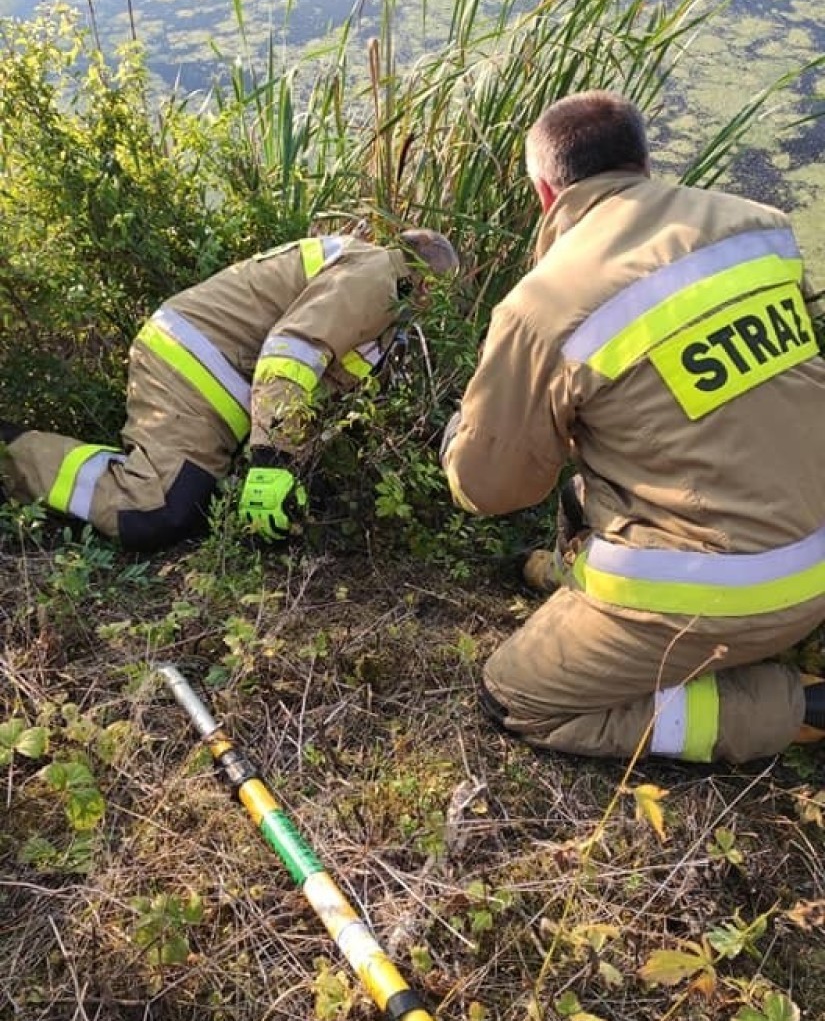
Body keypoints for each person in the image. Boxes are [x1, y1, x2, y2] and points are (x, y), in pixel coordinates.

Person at [440, 89, 825, 765]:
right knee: (594, 483)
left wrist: (458, 439)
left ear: (542, 190)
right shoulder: (757, 226)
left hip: (737, 590)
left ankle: (795, 707)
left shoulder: (543, 304)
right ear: (644, 163)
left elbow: (491, 489)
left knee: (513, 698)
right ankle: (579, 584)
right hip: (814, 542)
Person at [0, 226, 459, 551]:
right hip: (191, 368)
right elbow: (292, 353)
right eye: (438, 298)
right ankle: (11, 456)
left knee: (197, 513)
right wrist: (271, 461)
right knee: (154, 512)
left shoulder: (381, 290)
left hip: (212, 382)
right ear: (426, 283)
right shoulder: (380, 277)